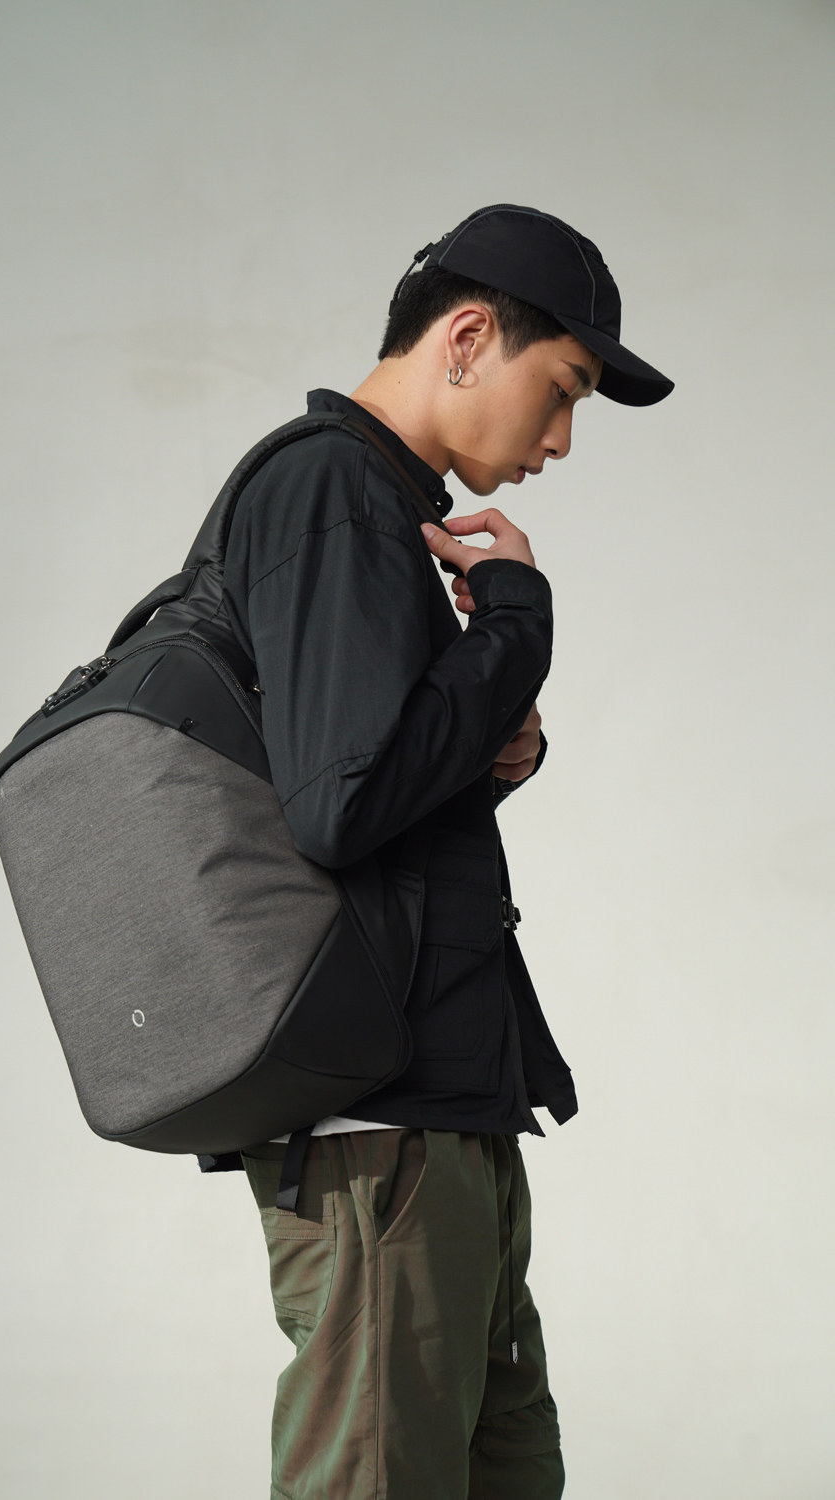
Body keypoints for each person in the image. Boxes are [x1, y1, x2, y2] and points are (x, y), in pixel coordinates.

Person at [216, 204, 673, 1500]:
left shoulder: (378, 507)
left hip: (439, 1116)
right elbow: (342, 807)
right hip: (381, 1137)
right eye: (563, 390)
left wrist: (486, 740)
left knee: (504, 1474)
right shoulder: (331, 488)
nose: (562, 440)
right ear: (468, 338)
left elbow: (358, 795)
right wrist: (513, 630)